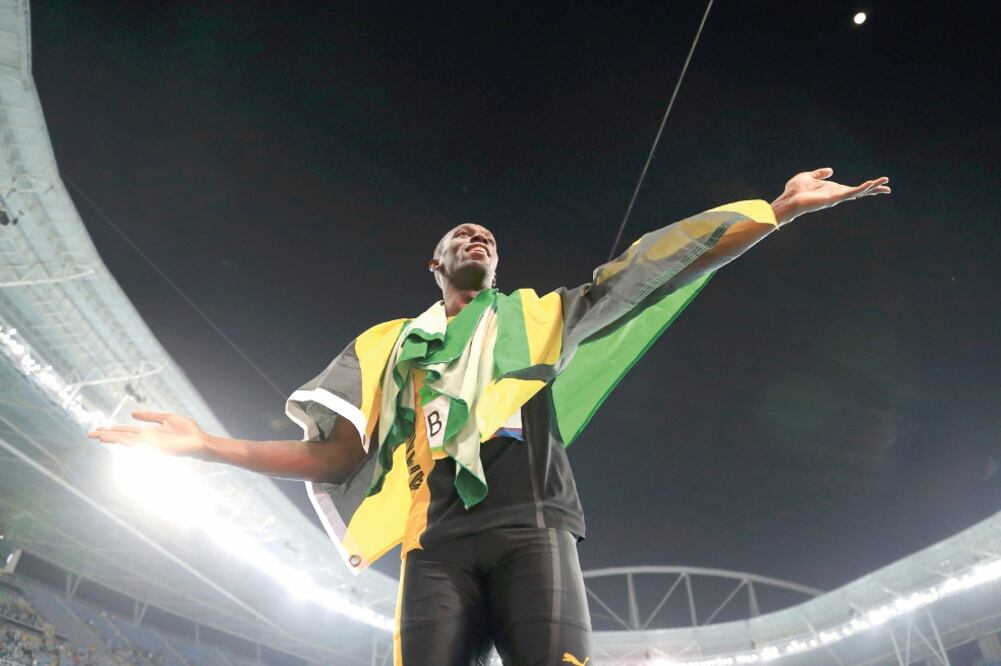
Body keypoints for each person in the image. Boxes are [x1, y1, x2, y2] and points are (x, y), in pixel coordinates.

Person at [89, 168, 890, 665]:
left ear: (494, 265)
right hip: (433, 543)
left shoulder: (540, 318)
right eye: (458, 235)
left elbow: (654, 266)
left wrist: (774, 212)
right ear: (435, 265)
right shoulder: (385, 346)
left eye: (486, 236)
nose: (475, 236)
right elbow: (335, 459)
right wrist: (205, 447)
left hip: (531, 525)